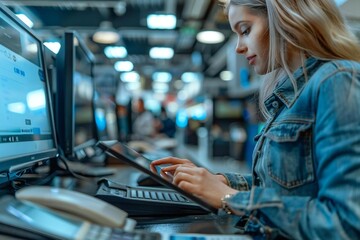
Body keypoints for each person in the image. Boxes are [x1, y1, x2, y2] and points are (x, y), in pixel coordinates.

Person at [150, 0, 360, 239]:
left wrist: (229, 198)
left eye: (245, 30)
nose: (239, 47)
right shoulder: (292, 94)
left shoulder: (338, 80)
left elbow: (346, 223)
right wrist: (218, 182)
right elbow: (289, 189)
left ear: (284, 18)